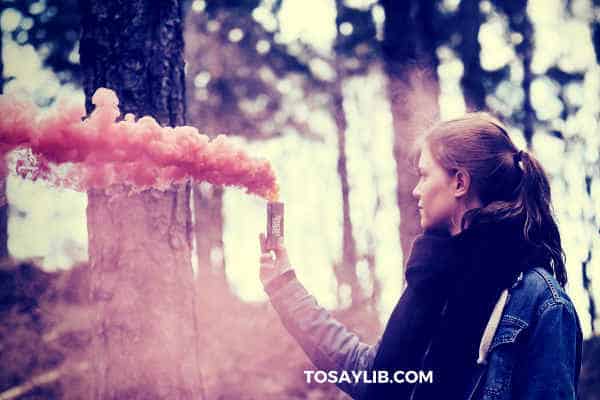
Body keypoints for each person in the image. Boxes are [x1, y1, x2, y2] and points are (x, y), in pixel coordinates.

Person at [258, 113, 582, 400]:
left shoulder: (543, 304)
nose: (416, 190)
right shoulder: (432, 281)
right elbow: (372, 377)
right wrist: (283, 284)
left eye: (425, 175)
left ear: (459, 182)